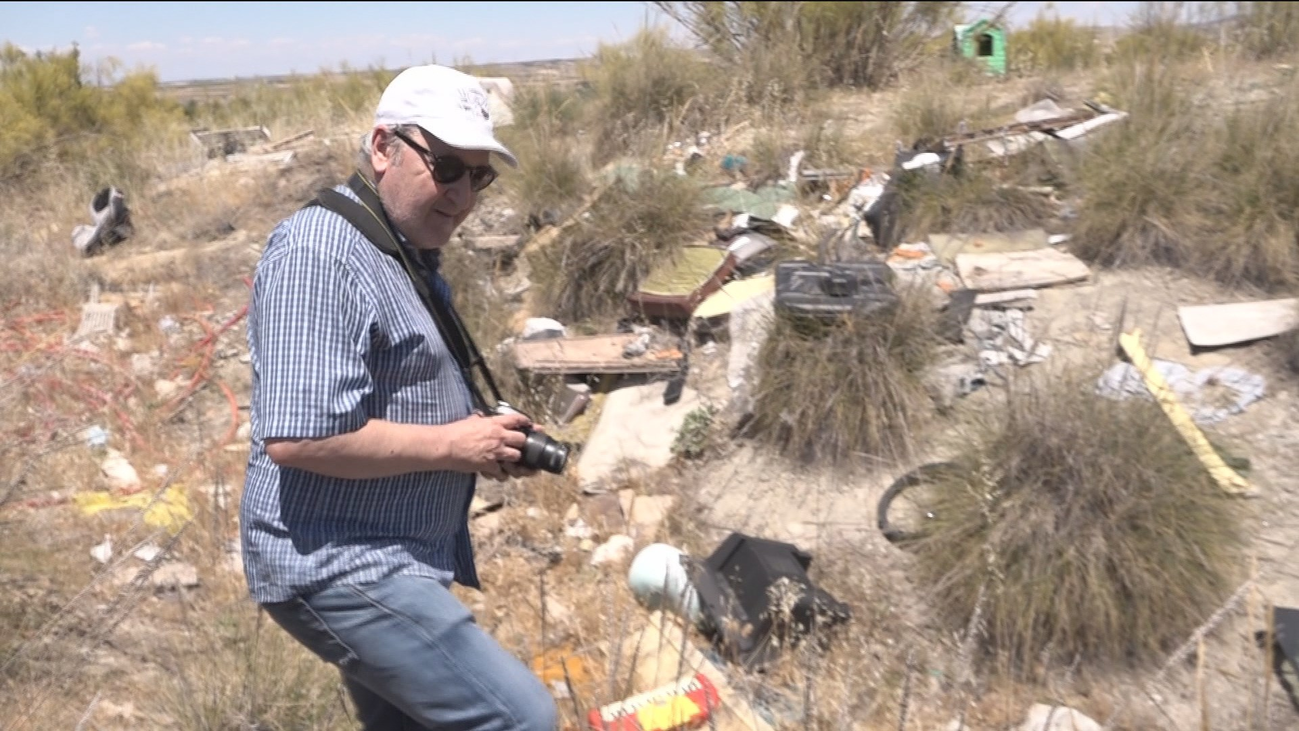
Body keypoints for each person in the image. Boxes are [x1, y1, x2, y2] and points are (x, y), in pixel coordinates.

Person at [240, 64, 558, 730]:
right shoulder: (318, 252)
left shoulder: (397, 245)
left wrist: (481, 437)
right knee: (521, 716)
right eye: (446, 167)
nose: (464, 195)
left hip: (390, 553)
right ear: (383, 147)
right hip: (341, 563)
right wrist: (452, 443)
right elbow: (299, 435)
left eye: (479, 175)